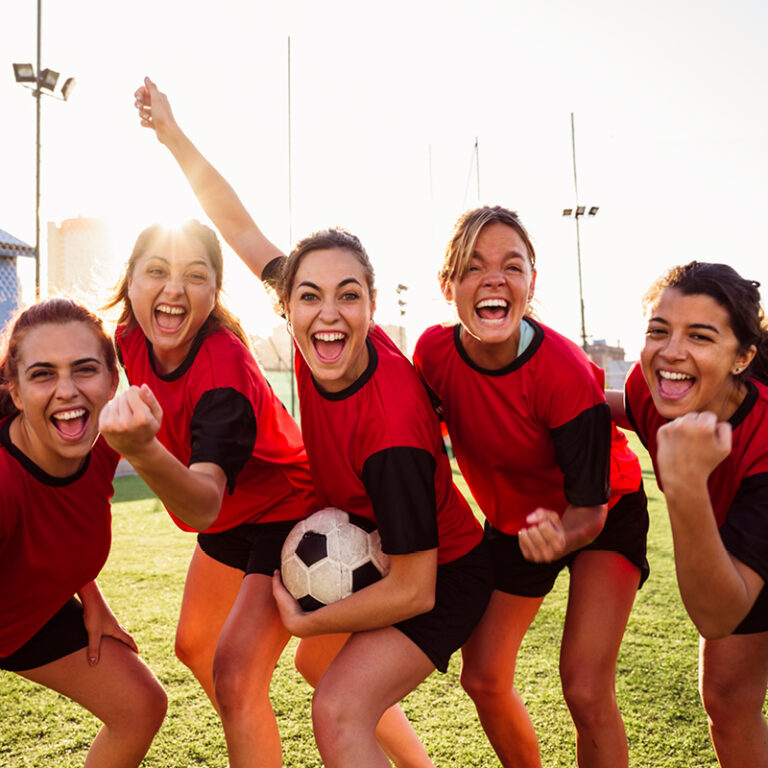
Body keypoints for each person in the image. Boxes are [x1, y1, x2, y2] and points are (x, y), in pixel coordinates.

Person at [133, 77, 493, 768]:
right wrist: (173, 137)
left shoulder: (392, 434)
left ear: (372, 305)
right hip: (368, 537)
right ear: (287, 304)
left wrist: (306, 618)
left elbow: (415, 586)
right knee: (315, 669)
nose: (327, 313)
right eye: (309, 295)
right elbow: (237, 227)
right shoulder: (314, 326)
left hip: (444, 574)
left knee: (336, 707)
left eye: (347, 296)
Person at [412, 206, 649, 768]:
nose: (494, 277)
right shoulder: (434, 354)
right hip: (516, 522)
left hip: (602, 512)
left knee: (586, 688)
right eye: (474, 266)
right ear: (448, 286)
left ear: (530, 283)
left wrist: (561, 534)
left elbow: (588, 512)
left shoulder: (562, 371)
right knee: (485, 678)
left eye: (511, 266)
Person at [97, 218, 318, 768]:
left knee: (239, 676)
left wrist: (144, 450)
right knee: (196, 646)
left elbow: (203, 503)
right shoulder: (128, 335)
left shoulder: (223, 371)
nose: (173, 289)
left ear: (214, 291)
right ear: (129, 281)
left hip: (286, 506)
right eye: (156, 272)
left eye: (195, 276)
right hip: (232, 516)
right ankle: (256, 735)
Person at [607, 261, 768, 768]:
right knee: (727, 699)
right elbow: (623, 407)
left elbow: (717, 615)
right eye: (659, 330)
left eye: (699, 336)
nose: (670, 352)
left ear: (742, 358)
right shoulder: (649, 390)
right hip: (740, 556)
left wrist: (685, 485)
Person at [0, 297, 167, 768]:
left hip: (27, 617)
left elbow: (58, 524)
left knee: (139, 706)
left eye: (84, 369)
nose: (67, 390)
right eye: (43, 373)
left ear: (113, 380)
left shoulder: (102, 445)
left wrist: (92, 599)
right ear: (15, 391)